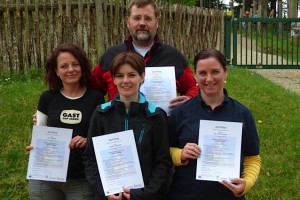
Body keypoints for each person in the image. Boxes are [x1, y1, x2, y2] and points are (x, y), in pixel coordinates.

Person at [167, 49, 261, 200]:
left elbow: (253, 158)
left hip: (227, 196)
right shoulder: (180, 113)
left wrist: (246, 183)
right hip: (185, 194)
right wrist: (181, 155)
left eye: (215, 72)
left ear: (225, 73)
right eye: (203, 73)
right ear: (195, 76)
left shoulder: (243, 114)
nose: (209, 79)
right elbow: (165, 152)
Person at [83, 52, 172, 200]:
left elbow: (163, 162)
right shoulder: (101, 114)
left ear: (142, 76)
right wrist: (104, 191)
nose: (126, 81)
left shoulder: (155, 116)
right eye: (119, 76)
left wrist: (144, 194)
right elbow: (90, 158)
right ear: (113, 79)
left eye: (131, 75)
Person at [26, 44, 105, 200]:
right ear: (56, 71)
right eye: (64, 66)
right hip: (45, 177)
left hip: (81, 178)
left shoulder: (96, 98)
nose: (71, 69)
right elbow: (39, 133)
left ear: (82, 66)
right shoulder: (47, 98)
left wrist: (87, 141)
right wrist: (34, 148)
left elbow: (101, 134)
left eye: (75, 64)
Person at [89, 0, 198, 109]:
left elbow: (194, 87)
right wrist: (102, 113)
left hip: (162, 125)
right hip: (118, 125)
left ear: (157, 22)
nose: (142, 23)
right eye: (137, 18)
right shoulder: (111, 56)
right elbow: (90, 89)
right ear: (128, 21)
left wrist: (188, 100)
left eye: (148, 18)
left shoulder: (173, 56)